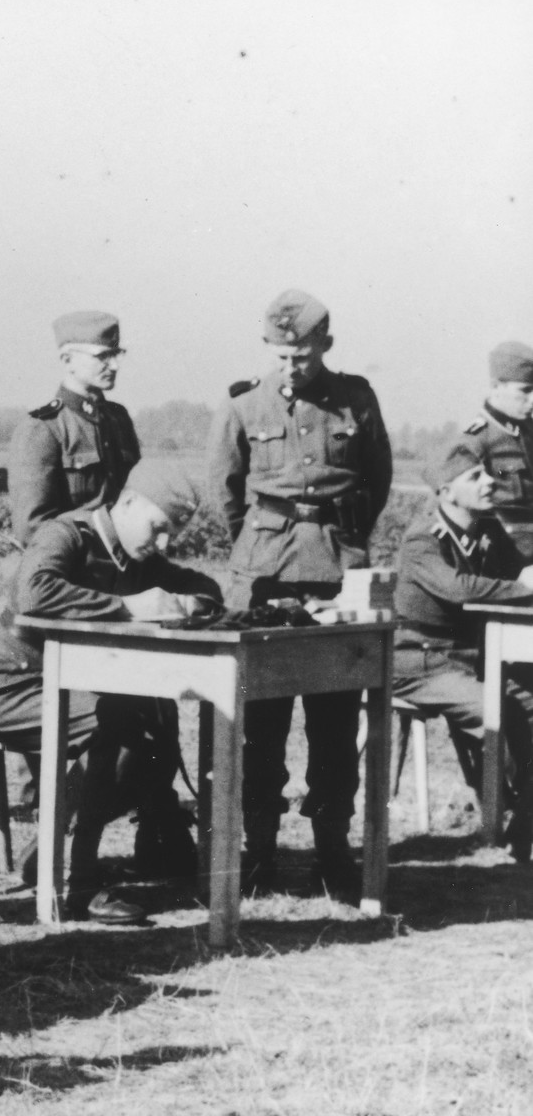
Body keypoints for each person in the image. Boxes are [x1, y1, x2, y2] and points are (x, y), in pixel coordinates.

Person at [0, 460, 220, 921]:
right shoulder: (68, 534)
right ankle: (80, 880)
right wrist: (126, 607)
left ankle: (58, 851)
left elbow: (203, 585)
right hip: (2, 683)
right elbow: (34, 592)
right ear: (130, 502)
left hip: (62, 686)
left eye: (171, 534)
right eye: (158, 529)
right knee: (120, 725)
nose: (163, 544)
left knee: (154, 737)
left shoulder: (139, 555)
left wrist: (193, 600)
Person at [208, 289, 393, 896]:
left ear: (326, 347)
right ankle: (258, 849)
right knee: (261, 722)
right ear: (268, 348)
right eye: (282, 355)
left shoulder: (356, 398)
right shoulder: (242, 405)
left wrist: (343, 538)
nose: (292, 366)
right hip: (264, 572)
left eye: (304, 355)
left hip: (336, 571)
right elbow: (226, 491)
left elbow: (378, 476)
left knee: (335, 724)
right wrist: (259, 545)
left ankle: (332, 851)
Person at [393, 442, 533, 860]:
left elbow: (516, 567)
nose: (489, 482)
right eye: (475, 477)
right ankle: (506, 817)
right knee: (497, 710)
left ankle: (523, 823)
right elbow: (459, 589)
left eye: (487, 473)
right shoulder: (422, 539)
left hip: (473, 659)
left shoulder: (487, 530)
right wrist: (525, 588)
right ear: (446, 492)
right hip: (421, 661)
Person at [8, 311, 140, 546]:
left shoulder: (119, 419)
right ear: (67, 360)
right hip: (72, 572)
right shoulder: (43, 428)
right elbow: (32, 528)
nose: (114, 365)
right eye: (103, 356)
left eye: (117, 354)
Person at [458, 341, 533, 558]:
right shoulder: (475, 441)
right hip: (505, 557)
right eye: (525, 390)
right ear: (496, 387)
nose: (532, 400)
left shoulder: (528, 433)